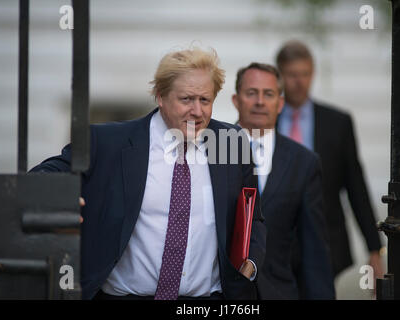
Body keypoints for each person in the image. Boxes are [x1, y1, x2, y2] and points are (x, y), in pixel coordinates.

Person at [30, 47, 266, 300]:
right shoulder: (108, 143)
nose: (197, 111)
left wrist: (250, 263)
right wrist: (59, 201)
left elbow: (254, 218)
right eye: (186, 99)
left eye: (205, 100)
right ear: (160, 96)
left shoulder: (230, 143)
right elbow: (42, 176)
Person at [276, 40, 384, 280]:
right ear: (280, 75)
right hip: (276, 252)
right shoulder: (263, 123)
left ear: (313, 73)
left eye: (305, 74)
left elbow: (356, 186)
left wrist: (374, 248)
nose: (299, 81)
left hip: (327, 246)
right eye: (292, 74)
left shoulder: (337, 123)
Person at [232, 62, 334, 299]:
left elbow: (314, 248)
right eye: (251, 93)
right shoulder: (211, 152)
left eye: (268, 94)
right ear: (236, 100)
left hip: (279, 292)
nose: (259, 101)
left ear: (280, 103)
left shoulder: (304, 162)